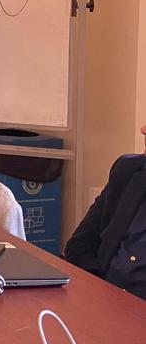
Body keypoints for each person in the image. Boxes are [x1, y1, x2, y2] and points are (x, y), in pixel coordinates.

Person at [64, 124, 146, 300]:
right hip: (105, 302)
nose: (143, 129)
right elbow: (78, 248)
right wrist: (103, 294)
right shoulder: (127, 170)